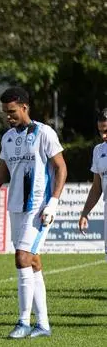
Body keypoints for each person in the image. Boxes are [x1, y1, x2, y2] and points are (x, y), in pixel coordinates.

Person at [0, 87, 67, 339]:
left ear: (25, 107)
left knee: (22, 257)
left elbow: (61, 168)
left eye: (12, 112)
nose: (8, 117)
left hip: (38, 208)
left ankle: (23, 322)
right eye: (5, 113)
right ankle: (43, 324)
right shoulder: (8, 138)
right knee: (33, 262)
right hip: (16, 207)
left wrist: (53, 203)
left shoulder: (44, 133)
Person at [78, 109, 107, 257]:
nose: (103, 136)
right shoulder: (98, 150)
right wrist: (85, 213)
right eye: (100, 131)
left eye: (106, 131)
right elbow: (97, 188)